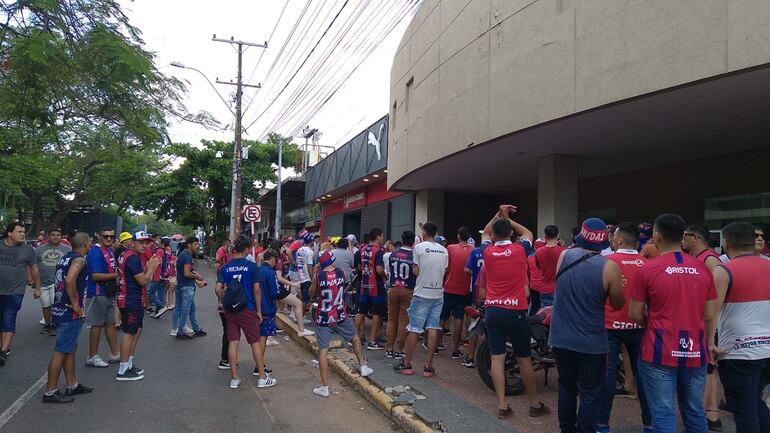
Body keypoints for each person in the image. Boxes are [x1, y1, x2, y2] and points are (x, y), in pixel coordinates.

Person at [629, 214, 718, 433]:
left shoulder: (647, 269)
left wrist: (652, 323)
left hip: (658, 349)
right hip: (694, 350)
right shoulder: (703, 268)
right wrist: (708, 342)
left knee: (663, 414)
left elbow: (635, 313)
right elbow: (709, 314)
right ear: (682, 237)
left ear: (656, 236)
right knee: (695, 412)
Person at [478, 205, 549, 419]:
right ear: (510, 233)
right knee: (524, 358)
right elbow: (528, 233)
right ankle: (534, 404)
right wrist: (508, 219)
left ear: (493, 235)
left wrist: (498, 214)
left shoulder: (488, 251)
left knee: (497, 358)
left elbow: (485, 232)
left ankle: (502, 406)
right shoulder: (520, 249)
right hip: (516, 310)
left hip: (493, 310)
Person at [709, 222, 770, 433]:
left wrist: (709, 343)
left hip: (739, 352)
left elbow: (711, 313)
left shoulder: (724, 270)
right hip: (767, 349)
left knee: (744, 410)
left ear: (725, 243)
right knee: (754, 401)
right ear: (753, 242)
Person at [596, 223, 652, 433]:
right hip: (639, 327)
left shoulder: (605, 262)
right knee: (644, 377)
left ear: (619, 240)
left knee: (607, 377)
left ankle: (602, 425)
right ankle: (649, 424)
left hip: (609, 327)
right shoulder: (647, 264)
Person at [215, 235, 276, 389]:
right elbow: (256, 289)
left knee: (233, 341)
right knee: (254, 342)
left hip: (231, 310)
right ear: (247, 249)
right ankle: (262, 377)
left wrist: (225, 301)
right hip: (248, 308)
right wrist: (259, 310)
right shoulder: (252, 267)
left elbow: (217, 289)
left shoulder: (225, 267)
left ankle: (234, 378)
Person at [310, 250, 373, 397]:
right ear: (331, 261)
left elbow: (312, 293)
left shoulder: (318, 277)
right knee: (354, 337)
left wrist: (316, 274)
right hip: (340, 314)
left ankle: (324, 387)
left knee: (323, 350)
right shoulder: (341, 273)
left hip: (324, 317)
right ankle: (363, 366)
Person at [42, 232, 93, 403]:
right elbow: (70, 280)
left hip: (59, 309)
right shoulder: (79, 260)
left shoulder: (64, 258)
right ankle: (50, 391)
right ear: (86, 243)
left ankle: (72, 385)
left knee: (69, 348)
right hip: (69, 312)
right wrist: (76, 305)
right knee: (61, 351)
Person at [682, 223, 724, 430]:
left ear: (696, 237)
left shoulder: (710, 260)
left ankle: (712, 414)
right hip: (699, 321)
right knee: (706, 369)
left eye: (685, 235)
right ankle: (709, 413)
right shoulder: (698, 259)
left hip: (709, 323)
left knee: (708, 370)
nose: (682, 239)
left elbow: (715, 295)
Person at [393, 222, 448, 378]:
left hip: (421, 293)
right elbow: (444, 270)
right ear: (436, 234)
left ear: (423, 234)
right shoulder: (444, 250)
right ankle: (428, 367)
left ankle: (407, 364)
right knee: (432, 327)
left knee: (415, 328)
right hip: (438, 293)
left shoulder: (418, 248)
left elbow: (416, 270)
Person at [116, 231, 161, 381]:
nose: (144, 245)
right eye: (141, 242)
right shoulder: (132, 257)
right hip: (130, 299)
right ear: (132, 242)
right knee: (129, 333)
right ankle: (122, 369)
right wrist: (151, 268)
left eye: (146, 242)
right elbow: (142, 281)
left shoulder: (129, 255)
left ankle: (128, 363)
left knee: (137, 330)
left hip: (134, 299)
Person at [0, 222, 41, 366]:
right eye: (19, 231)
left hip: (15, 291)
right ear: (10, 233)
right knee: (2, 320)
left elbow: (34, 268)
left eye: (24, 232)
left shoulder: (28, 250)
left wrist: (37, 287)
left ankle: (3, 351)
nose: (23, 234)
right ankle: (4, 345)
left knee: (8, 318)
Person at [84, 227, 121, 368]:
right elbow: (95, 275)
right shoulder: (94, 252)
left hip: (109, 292)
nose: (109, 239)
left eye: (111, 236)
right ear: (99, 236)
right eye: (106, 236)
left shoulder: (110, 250)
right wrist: (116, 276)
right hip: (98, 292)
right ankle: (92, 356)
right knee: (97, 325)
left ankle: (114, 353)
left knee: (110, 323)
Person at [440, 226, 473, 360]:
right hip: (464, 289)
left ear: (458, 236)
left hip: (449, 287)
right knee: (459, 318)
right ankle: (455, 350)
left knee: (442, 317)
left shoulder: (451, 248)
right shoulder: (473, 251)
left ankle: (436, 345)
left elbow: (446, 267)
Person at [256, 249, 291, 376]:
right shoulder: (270, 273)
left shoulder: (257, 270)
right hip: (267, 309)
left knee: (257, 339)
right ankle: (259, 367)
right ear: (272, 259)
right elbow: (275, 292)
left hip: (256, 309)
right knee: (262, 339)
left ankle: (258, 366)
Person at [385, 231, 417, 359]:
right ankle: (399, 349)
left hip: (393, 288)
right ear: (413, 242)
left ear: (402, 240)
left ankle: (388, 348)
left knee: (391, 319)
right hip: (408, 289)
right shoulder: (414, 255)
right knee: (403, 320)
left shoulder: (393, 254)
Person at [36, 226, 71, 335]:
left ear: (61, 236)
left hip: (58, 283)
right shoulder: (39, 249)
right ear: (48, 236)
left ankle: (56, 323)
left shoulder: (67, 249)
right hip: (42, 281)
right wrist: (32, 279)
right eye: (53, 235)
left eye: (58, 235)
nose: (55, 237)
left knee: (54, 302)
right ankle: (47, 324)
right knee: (45, 304)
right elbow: (33, 265)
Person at [356, 228, 387, 350]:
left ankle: (354, 338)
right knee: (377, 313)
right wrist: (385, 275)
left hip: (364, 285)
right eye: (382, 236)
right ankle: (372, 341)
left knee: (361, 311)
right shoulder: (378, 251)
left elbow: (359, 267)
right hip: (376, 287)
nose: (383, 238)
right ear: (378, 237)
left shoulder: (362, 249)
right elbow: (379, 269)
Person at [173, 236, 207, 339]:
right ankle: (180, 331)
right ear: (189, 245)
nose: (197, 246)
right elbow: (187, 273)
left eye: (198, 244)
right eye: (195, 244)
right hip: (186, 287)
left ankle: (196, 329)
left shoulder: (183, 255)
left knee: (190, 308)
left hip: (181, 285)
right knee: (185, 309)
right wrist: (197, 276)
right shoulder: (187, 256)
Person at [463, 238, 485, 368]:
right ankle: (491, 358)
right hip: (494, 296)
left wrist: (476, 274)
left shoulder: (476, 251)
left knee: (474, 325)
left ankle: (470, 358)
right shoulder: (497, 252)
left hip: (477, 293)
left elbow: (466, 269)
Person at [535, 225, 566, 307]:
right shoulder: (564, 251)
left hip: (545, 288)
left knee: (545, 315)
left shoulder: (538, 251)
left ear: (545, 236)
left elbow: (538, 266)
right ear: (558, 235)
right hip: (559, 288)